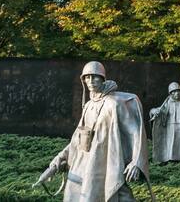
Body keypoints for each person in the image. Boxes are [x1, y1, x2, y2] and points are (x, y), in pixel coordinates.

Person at [40, 61, 148, 201]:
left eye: (95, 76)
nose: (90, 80)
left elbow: (135, 132)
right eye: (87, 77)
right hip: (82, 164)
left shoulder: (114, 104)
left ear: (103, 78)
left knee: (116, 194)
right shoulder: (89, 105)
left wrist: (136, 162)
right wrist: (60, 157)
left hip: (105, 162)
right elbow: (78, 139)